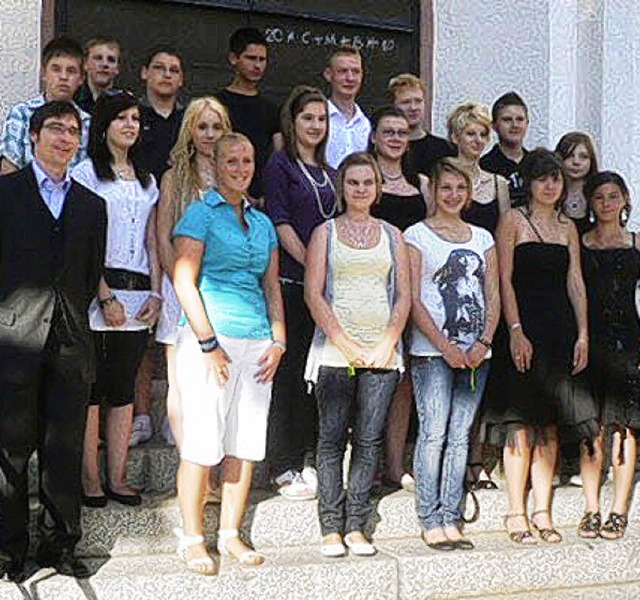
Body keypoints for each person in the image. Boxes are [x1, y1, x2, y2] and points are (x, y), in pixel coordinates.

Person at [0, 101, 106, 581]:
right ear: (35, 136)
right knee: (10, 451)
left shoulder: (91, 205)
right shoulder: (5, 193)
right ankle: (8, 550)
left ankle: (60, 545)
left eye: (73, 131)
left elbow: (87, 277)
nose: (65, 138)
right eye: (56, 129)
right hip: (12, 340)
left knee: (63, 450)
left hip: (69, 342)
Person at [172, 133, 284, 575]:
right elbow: (184, 281)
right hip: (209, 341)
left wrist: (279, 340)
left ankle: (230, 534)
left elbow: (271, 286)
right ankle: (192, 537)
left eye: (247, 160)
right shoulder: (200, 214)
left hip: (256, 342)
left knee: (245, 443)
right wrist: (208, 344)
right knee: (202, 444)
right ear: (215, 166)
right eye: (231, 161)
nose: (240, 168)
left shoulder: (262, 223)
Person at [482, 148, 599, 545]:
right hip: (523, 328)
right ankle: (516, 512)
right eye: (542, 177)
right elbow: (504, 279)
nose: (550, 185)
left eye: (556, 178)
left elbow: (575, 282)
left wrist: (583, 333)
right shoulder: (513, 220)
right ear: (529, 182)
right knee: (519, 423)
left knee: (549, 423)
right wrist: (514, 329)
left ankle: (543, 511)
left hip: (560, 330)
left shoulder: (568, 226)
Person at [305, 152, 410, 557]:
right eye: (353, 183)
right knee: (331, 441)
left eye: (368, 183)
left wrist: (388, 341)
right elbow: (313, 292)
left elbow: (404, 294)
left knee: (368, 441)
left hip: (382, 352)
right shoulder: (324, 233)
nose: (360, 189)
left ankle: (356, 525)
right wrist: (342, 341)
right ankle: (330, 526)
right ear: (342, 187)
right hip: (334, 352)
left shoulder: (392, 235)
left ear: (377, 188)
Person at [71, 91, 161, 508]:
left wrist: (157, 292)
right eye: (122, 118)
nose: (130, 125)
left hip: (138, 287)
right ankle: (90, 478)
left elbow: (152, 240)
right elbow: (82, 241)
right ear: (104, 125)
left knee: (123, 384)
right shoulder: (87, 174)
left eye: (135, 119)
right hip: (98, 290)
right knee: (91, 386)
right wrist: (103, 294)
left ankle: (119, 476)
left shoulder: (147, 180)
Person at [404, 158, 499, 551]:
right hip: (432, 352)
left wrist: (482, 343)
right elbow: (411, 297)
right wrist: (444, 346)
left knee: (460, 436)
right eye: (446, 188)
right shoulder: (417, 235)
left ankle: (450, 514)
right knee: (433, 433)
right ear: (433, 191)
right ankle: (429, 516)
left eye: (461, 189)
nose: (453, 195)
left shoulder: (482, 238)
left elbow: (493, 295)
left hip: (477, 353)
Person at [264, 85, 337, 500]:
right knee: (289, 376)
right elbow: (280, 222)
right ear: (292, 122)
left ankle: (311, 456)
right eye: (308, 118)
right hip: (293, 284)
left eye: (322, 119)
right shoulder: (280, 165)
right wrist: (314, 265)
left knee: (318, 378)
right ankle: (283, 463)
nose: (315, 125)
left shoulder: (329, 172)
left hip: (324, 290)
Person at [156, 96, 232, 449]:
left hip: (222, 288)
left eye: (217, 127)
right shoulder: (175, 177)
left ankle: (213, 446)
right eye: (202, 126)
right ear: (189, 130)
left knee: (218, 370)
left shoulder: (234, 174)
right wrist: (179, 281)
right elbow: (162, 233)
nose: (210, 134)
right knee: (180, 374)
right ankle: (187, 450)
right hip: (182, 285)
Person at [368, 105, 429, 490]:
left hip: (411, 289)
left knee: (402, 379)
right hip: (371, 287)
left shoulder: (421, 184)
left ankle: (393, 462)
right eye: (387, 131)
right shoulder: (363, 179)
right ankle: (365, 461)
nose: (394, 138)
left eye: (401, 133)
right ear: (374, 137)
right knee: (369, 377)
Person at [579, 171, 640, 540]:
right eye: (599, 197)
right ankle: (591, 507)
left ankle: (618, 509)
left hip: (629, 341)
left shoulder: (636, 243)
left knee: (626, 429)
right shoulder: (580, 242)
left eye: (613, 196)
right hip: (590, 341)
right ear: (590, 201)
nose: (606, 204)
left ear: (624, 200)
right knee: (593, 428)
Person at [131, 46, 186, 446]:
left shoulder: (187, 123)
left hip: (178, 231)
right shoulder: (134, 119)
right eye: (160, 68)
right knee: (140, 334)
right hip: (135, 226)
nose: (167, 75)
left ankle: (175, 416)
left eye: (174, 70)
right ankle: (141, 414)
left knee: (175, 338)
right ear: (144, 73)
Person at [0, 36, 90, 174]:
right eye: (56, 69)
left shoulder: (87, 122)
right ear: (43, 73)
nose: (63, 77)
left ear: (81, 79)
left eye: (71, 71)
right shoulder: (22, 113)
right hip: (25, 193)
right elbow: (9, 168)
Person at [217, 27, 281, 200]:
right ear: (233, 58)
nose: (257, 65)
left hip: (261, 202)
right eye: (251, 58)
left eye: (262, 59)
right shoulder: (216, 105)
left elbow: (278, 159)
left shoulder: (272, 110)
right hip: (221, 195)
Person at [447, 102, 510, 235]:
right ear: (455, 137)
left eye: (483, 134)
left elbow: (505, 234)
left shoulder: (499, 183)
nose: (478, 140)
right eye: (470, 134)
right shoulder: (442, 179)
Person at [388, 73, 455, 178]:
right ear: (393, 106)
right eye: (406, 102)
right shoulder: (388, 148)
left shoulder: (444, 149)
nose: (413, 107)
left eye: (418, 101)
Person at [323, 45, 371, 169]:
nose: (350, 78)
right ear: (328, 74)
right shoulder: (318, 120)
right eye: (343, 71)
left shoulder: (368, 124)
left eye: (355, 72)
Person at [480, 92, 530, 207]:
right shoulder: (484, 166)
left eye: (520, 119)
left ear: (527, 123)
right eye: (507, 119)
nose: (515, 125)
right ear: (494, 125)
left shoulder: (537, 164)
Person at [555, 131, 599, 235]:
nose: (576, 162)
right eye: (570, 155)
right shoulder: (549, 193)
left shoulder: (598, 194)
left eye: (583, 156)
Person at [75, 36, 121, 114]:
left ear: (118, 68)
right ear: (85, 64)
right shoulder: (72, 100)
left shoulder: (124, 104)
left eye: (111, 60)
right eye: (98, 58)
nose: (105, 64)